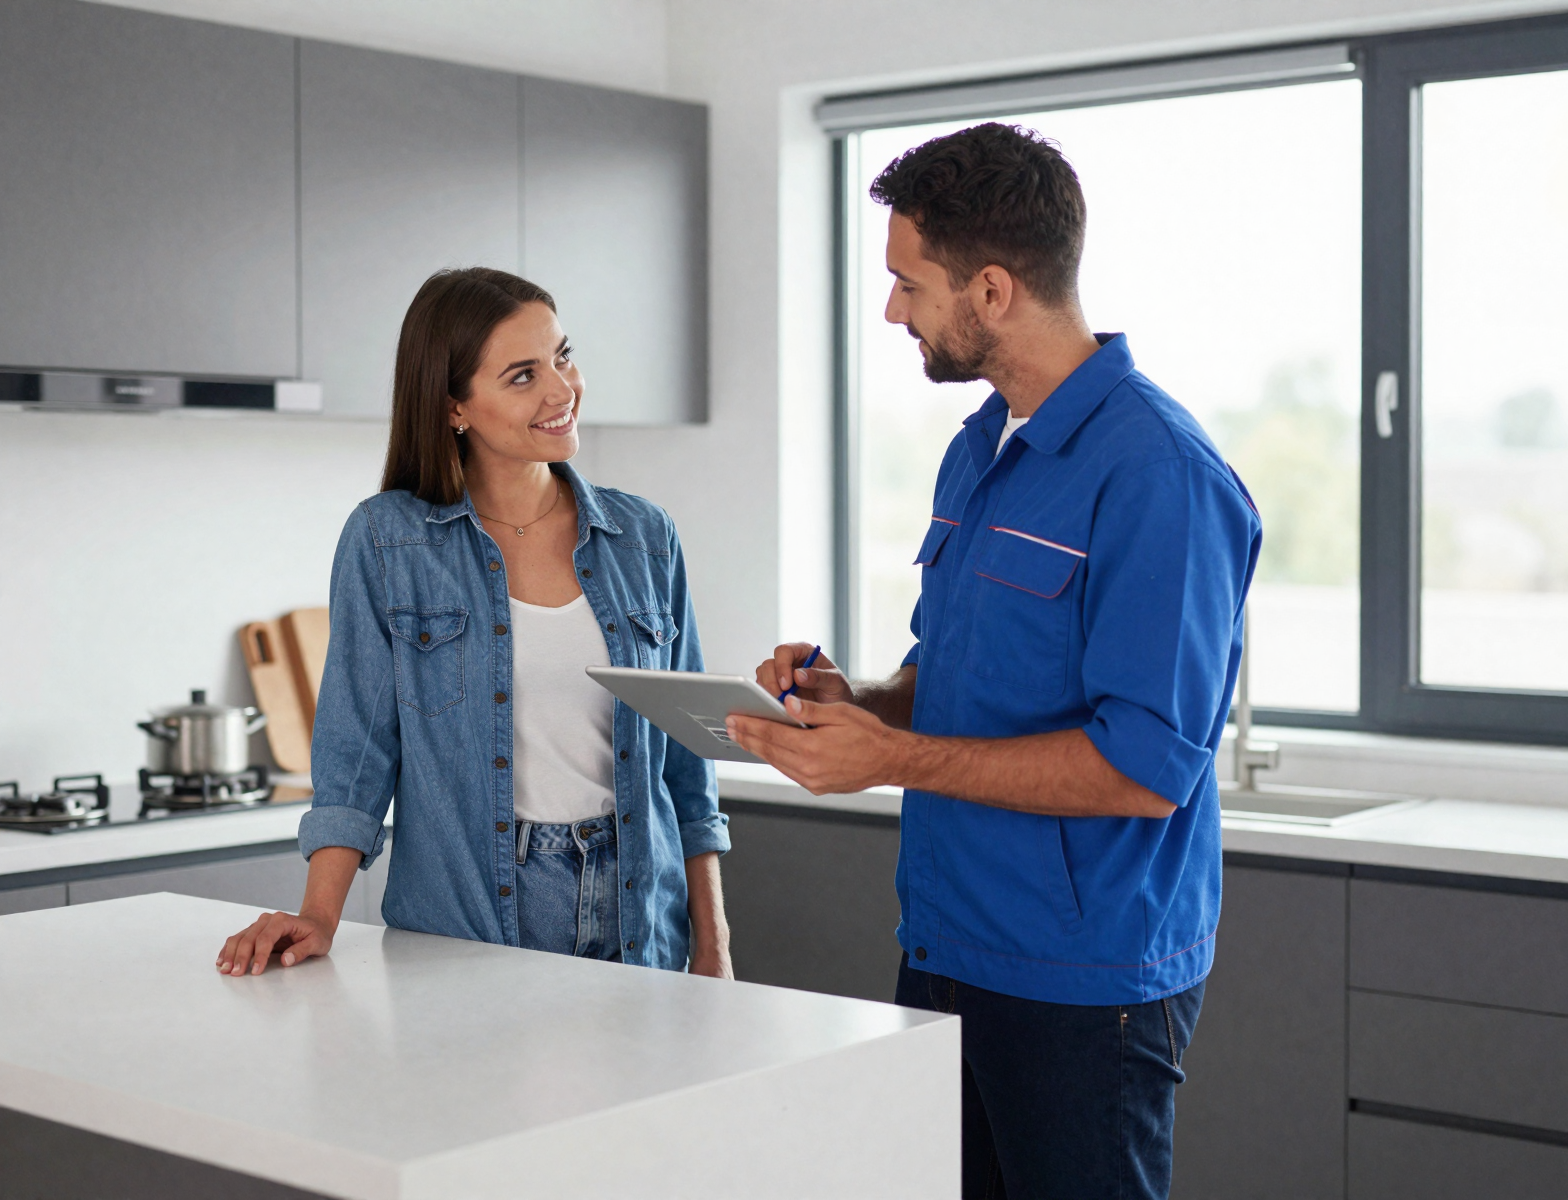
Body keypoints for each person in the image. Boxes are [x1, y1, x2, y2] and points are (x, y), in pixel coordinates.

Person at [730, 125, 1260, 1199]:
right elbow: (958, 669)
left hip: (1080, 980)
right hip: (946, 943)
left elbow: (1143, 771)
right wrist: (861, 701)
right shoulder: (984, 446)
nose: (892, 311)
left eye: (907, 284)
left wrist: (891, 759)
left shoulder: (1160, 476)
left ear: (993, 289)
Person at [217, 267, 732, 980]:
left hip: (642, 920)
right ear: (455, 406)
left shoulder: (644, 537)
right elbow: (358, 753)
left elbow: (686, 765)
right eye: (522, 376)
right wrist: (318, 916)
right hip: (470, 926)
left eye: (562, 355)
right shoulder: (388, 541)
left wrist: (714, 945)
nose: (562, 389)